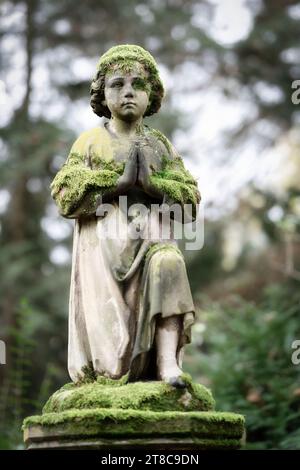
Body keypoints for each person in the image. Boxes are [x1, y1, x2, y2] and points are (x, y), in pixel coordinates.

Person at [50, 45, 200, 388]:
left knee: (170, 264)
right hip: (103, 254)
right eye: (117, 84)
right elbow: (65, 194)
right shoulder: (89, 143)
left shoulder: (160, 146)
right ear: (102, 94)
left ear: (152, 95)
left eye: (138, 85)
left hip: (153, 240)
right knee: (111, 362)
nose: (128, 92)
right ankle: (111, 370)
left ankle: (166, 364)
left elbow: (189, 201)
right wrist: (116, 184)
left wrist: (153, 185)